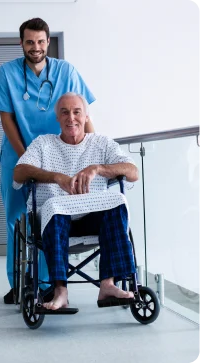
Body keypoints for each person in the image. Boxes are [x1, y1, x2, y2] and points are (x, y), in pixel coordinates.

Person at [0, 17, 96, 304]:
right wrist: (26, 157)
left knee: (49, 217)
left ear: (48, 42)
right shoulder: (7, 73)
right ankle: (20, 285)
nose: (35, 47)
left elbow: (83, 114)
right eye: (29, 42)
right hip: (18, 155)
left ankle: (47, 282)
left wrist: (94, 149)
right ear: (21, 43)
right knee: (16, 221)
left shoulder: (66, 71)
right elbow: (6, 118)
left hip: (57, 157)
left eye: (40, 41)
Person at [13, 92, 138, 310]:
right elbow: (19, 172)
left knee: (117, 201)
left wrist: (97, 168)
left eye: (76, 112)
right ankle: (60, 292)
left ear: (86, 116)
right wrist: (56, 177)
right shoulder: (43, 144)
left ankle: (108, 284)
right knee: (55, 207)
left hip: (94, 220)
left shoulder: (102, 143)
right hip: (56, 223)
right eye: (65, 112)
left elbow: (133, 171)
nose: (71, 118)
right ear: (57, 119)